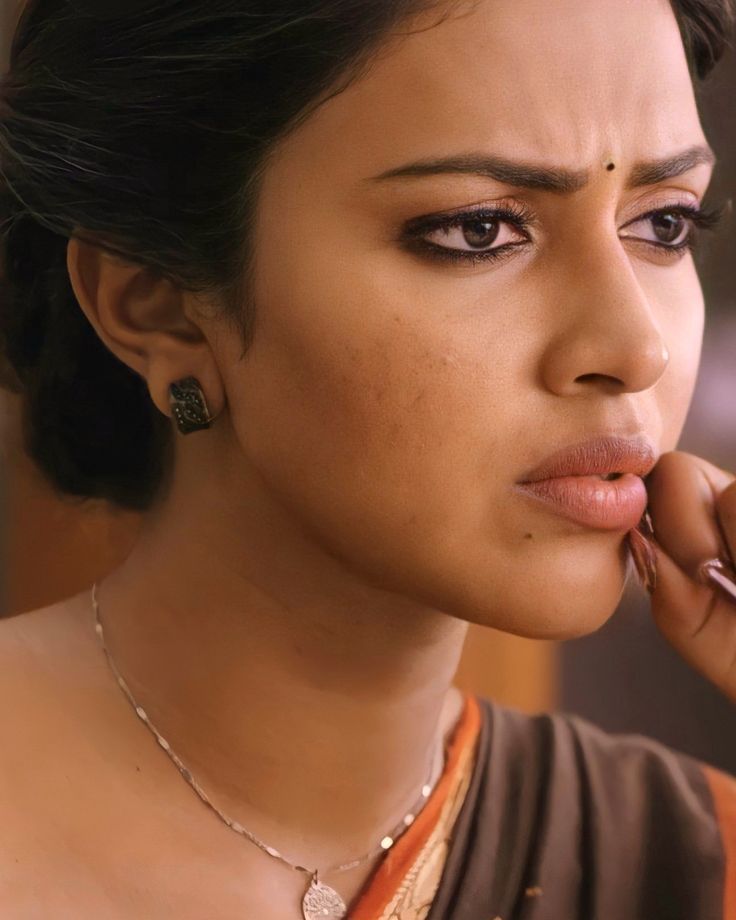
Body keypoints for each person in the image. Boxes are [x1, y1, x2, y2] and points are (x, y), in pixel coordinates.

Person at [0, 0, 735, 917]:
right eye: (478, 229)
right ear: (160, 308)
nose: (637, 348)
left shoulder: (695, 861)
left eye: (665, 225)